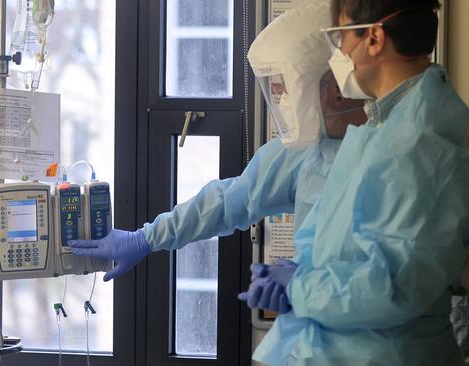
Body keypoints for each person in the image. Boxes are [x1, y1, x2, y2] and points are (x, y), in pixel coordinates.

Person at [67, 1, 365, 311]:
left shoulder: (392, 152)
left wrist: (306, 285)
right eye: (277, 90)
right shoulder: (306, 153)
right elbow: (227, 201)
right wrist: (147, 238)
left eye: (287, 89)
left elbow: (394, 278)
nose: (284, 102)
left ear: (337, 88)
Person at [247, 0, 469, 364]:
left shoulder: (418, 140)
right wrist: (306, 269)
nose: (341, 53)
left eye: (341, 38)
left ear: (374, 38)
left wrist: (300, 288)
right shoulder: (387, 124)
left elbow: (394, 288)